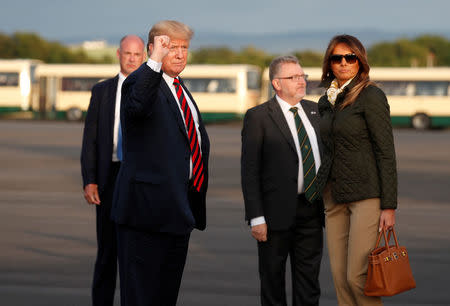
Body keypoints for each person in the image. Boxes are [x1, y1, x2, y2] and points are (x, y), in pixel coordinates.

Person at [111, 20, 210, 306]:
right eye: (170, 47)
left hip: (179, 211)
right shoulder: (140, 83)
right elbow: (137, 105)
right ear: (152, 48)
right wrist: (153, 60)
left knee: (165, 297)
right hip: (145, 214)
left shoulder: (181, 89)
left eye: (183, 48)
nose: (178, 54)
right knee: (141, 297)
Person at [316, 34, 397, 306]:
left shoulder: (371, 96)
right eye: (337, 58)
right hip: (334, 196)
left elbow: (385, 151)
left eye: (350, 57)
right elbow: (327, 150)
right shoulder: (325, 101)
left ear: (360, 61)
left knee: (356, 277)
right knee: (339, 278)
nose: (343, 63)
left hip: (366, 195)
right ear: (329, 63)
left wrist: (389, 206)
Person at [241, 55, 324, 306]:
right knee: (273, 283)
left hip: (311, 208)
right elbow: (250, 170)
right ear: (277, 83)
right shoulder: (259, 116)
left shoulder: (315, 110)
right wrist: (256, 217)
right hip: (274, 215)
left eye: (303, 76)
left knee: (309, 283)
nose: (302, 81)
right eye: (294, 77)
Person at [80, 35, 145, 306]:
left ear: (144, 57)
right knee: (107, 251)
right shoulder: (102, 91)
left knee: (136, 252)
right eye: (127, 53)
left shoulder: (150, 90)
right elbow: (90, 139)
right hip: (109, 177)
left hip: (139, 179)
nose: (132, 58)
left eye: (137, 54)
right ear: (118, 54)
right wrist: (90, 180)